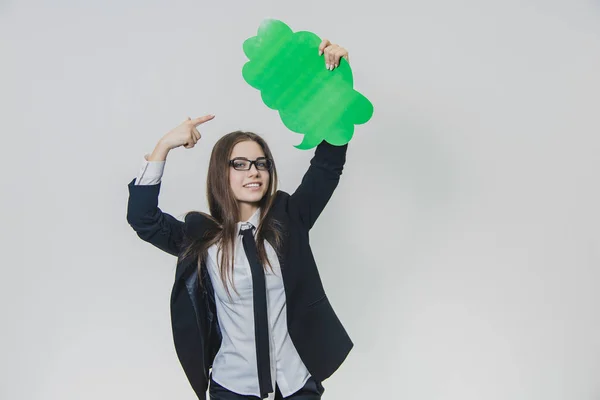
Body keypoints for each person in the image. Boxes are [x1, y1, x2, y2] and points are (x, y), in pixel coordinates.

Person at [126, 39, 353, 400]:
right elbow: (144, 219)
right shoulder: (202, 239)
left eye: (262, 163)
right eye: (240, 164)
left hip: (296, 386)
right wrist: (163, 146)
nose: (254, 172)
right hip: (233, 388)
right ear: (222, 173)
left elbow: (327, 165)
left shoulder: (289, 218)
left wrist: (335, 87)